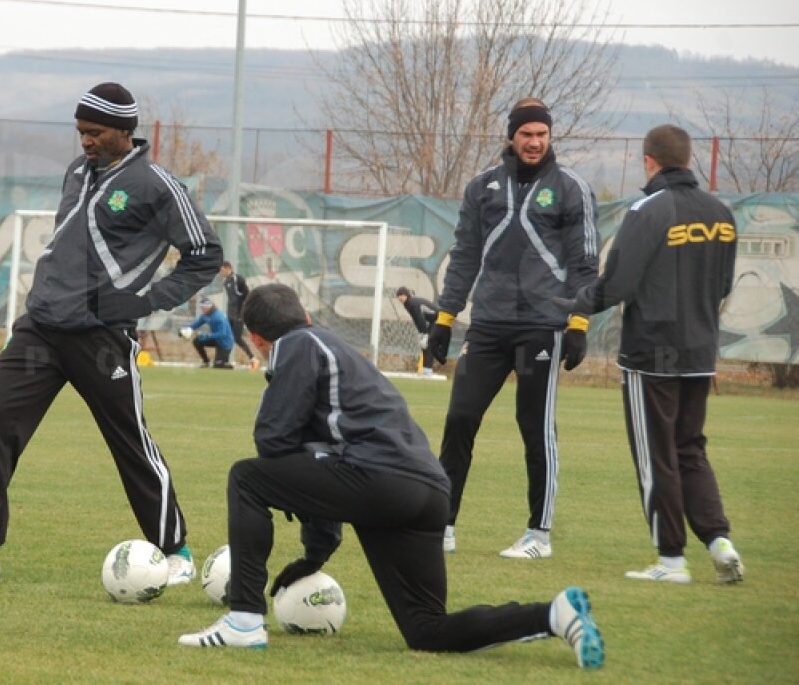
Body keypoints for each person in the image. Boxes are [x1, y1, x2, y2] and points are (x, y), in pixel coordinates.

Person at [177, 284, 604, 670]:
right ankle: (554, 614)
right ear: (305, 314)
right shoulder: (330, 345)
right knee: (427, 629)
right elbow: (321, 462)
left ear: (255, 339)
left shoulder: (296, 344)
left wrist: (304, 507)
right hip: (428, 491)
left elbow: (273, 440)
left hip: (377, 480)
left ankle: (244, 620)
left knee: (246, 478)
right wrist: (314, 556)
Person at [0, 83, 222, 585]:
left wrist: (148, 301)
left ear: (124, 131)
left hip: (101, 338)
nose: (85, 140)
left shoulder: (157, 186)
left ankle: (175, 551)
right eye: (81, 131)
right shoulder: (77, 171)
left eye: (95, 132)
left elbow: (204, 253)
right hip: (40, 327)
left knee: (129, 441)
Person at [554, 125, 743, 586]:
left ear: (648, 161)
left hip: (651, 353)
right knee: (690, 449)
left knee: (655, 453)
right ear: (688, 158)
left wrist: (575, 304)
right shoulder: (721, 213)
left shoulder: (648, 209)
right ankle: (719, 543)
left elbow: (618, 283)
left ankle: (671, 560)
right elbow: (723, 286)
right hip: (700, 350)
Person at [427, 98, 598, 558]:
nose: (535, 141)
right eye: (527, 134)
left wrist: (578, 322)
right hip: (488, 323)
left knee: (534, 426)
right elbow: (464, 256)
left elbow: (584, 262)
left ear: (550, 136)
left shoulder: (571, 188)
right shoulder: (482, 186)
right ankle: (442, 524)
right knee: (460, 418)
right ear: (512, 136)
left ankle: (538, 535)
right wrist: (445, 318)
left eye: (542, 134)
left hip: (543, 324)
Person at [219, 261, 259, 369]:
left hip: (239, 315)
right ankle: (224, 361)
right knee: (227, 337)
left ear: (228, 268)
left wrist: (243, 311)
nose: (221, 272)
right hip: (230, 315)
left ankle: (253, 359)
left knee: (237, 338)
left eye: (222, 270)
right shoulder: (226, 282)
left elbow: (246, 296)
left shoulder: (238, 279)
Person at [395, 286, 438, 376]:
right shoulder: (407, 304)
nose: (400, 297)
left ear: (406, 295)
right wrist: (421, 333)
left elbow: (420, 319)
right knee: (424, 345)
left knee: (428, 344)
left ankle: (428, 370)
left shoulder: (412, 303)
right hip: (432, 321)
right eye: (399, 296)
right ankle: (426, 369)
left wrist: (424, 334)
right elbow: (416, 319)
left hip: (438, 320)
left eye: (402, 295)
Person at [183, 296, 235, 369]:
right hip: (216, 339)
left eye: (203, 307)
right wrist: (185, 330)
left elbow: (222, 333)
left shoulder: (218, 317)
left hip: (225, 342)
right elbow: (195, 325)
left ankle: (225, 363)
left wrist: (208, 336)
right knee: (197, 341)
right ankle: (206, 362)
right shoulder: (205, 316)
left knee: (217, 366)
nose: (202, 309)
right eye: (201, 307)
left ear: (209, 307)